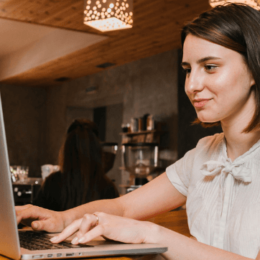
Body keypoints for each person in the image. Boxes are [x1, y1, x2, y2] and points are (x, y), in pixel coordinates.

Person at [16, 3, 260, 259]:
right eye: (188, 70)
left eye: (210, 67)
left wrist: (152, 235)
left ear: (254, 67)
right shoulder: (202, 154)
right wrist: (62, 218)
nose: (192, 85)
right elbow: (123, 207)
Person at [33, 119, 119, 211]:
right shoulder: (108, 188)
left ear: (66, 150)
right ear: (97, 151)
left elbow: (37, 218)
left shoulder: (52, 183)